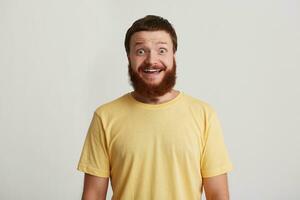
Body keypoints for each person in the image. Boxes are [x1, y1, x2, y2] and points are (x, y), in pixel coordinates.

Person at [77, 15, 233, 200]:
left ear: (173, 56)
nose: (152, 60)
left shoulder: (204, 115)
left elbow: (218, 195)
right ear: (129, 57)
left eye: (161, 50)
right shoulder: (105, 117)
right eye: (141, 51)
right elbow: (93, 195)